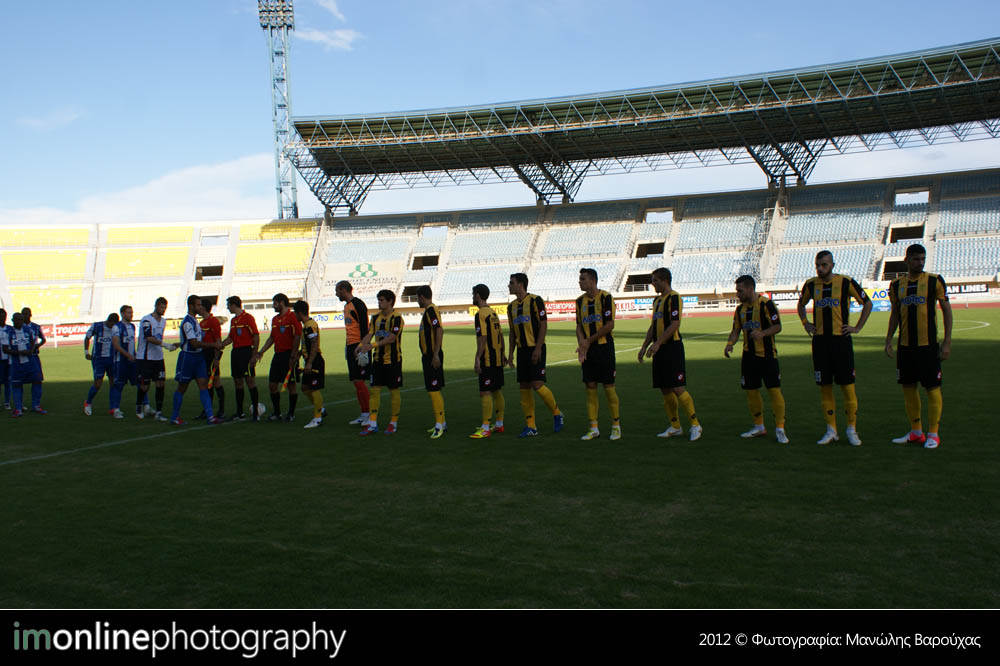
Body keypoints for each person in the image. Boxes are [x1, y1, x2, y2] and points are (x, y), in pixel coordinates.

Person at [797, 250, 873, 446]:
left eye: (824, 264)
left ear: (832, 265)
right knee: (825, 387)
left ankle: (851, 429)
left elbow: (867, 303)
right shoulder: (811, 284)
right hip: (820, 343)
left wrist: (857, 327)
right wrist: (805, 323)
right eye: (818, 265)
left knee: (847, 387)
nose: (820, 268)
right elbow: (801, 304)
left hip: (841, 342)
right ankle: (831, 430)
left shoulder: (846, 282)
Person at [884, 243, 952, 449]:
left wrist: (947, 342)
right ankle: (916, 432)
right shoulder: (896, 285)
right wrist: (889, 339)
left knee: (932, 388)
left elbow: (946, 310)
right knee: (908, 388)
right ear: (907, 260)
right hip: (906, 347)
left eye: (923, 259)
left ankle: (933, 434)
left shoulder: (934, 281)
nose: (920, 263)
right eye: (916, 259)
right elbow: (895, 313)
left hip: (928, 346)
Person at [638, 268, 702, 441]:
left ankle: (695, 424)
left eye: (655, 280)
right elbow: (653, 325)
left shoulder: (674, 298)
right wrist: (644, 346)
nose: (652, 283)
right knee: (665, 388)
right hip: (659, 349)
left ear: (664, 280)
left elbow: (675, 324)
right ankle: (675, 426)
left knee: (677, 387)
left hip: (672, 347)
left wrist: (658, 343)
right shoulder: (657, 300)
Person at [725, 275, 788, 443]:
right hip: (748, 357)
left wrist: (763, 333)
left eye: (740, 290)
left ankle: (780, 428)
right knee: (751, 391)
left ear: (750, 289)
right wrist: (730, 344)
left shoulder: (766, 304)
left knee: (774, 390)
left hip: (767, 355)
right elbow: (736, 330)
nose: (737, 294)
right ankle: (759, 426)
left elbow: (778, 326)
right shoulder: (740, 309)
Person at [506, 273, 563, 438]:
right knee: (524, 386)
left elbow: (543, 324)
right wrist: (510, 354)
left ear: (520, 284)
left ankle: (557, 413)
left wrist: (538, 348)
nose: (509, 285)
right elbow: (512, 332)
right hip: (521, 350)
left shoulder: (535, 301)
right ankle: (531, 426)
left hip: (535, 348)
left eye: (512, 283)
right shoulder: (511, 307)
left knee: (537, 384)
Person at [575, 268, 620, 441]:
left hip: (604, 348)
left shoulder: (606, 297)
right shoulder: (580, 301)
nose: (580, 282)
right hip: (589, 350)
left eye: (583, 279)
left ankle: (616, 426)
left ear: (592, 280)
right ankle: (593, 428)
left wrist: (588, 341)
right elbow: (579, 326)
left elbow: (609, 325)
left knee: (609, 387)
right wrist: (582, 345)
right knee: (590, 387)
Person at [170, 295, 224, 426]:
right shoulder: (187, 322)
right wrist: (213, 345)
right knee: (182, 387)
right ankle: (175, 417)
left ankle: (210, 416)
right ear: (191, 306)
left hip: (198, 357)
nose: (200, 307)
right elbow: (194, 343)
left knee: (203, 385)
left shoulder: (195, 321)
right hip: (188, 358)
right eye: (198, 305)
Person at [357, 289, 403, 436]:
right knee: (374, 391)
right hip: (377, 360)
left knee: (393, 391)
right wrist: (360, 346)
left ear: (390, 301)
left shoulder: (397, 318)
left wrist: (372, 345)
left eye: (382, 300)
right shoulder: (375, 317)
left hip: (393, 360)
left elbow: (392, 338)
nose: (379, 302)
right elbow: (369, 334)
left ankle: (393, 423)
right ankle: (372, 424)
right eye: (378, 300)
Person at [254, 293, 302, 423]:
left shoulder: (293, 317)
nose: (273, 306)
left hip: (289, 355)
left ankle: (291, 414)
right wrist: (261, 351)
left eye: (274, 303)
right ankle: (277, 412)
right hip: (278, 355)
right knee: (272, 385)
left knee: (291, 385)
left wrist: (293, 355)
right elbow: (272, 338)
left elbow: (297, 336)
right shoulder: (275, 319)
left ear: (282, 303)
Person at [470, 283, 506, 439]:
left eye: (473, 294)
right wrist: (503, 353)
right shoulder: (493, 313)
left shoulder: (481, 314)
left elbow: (483, 337)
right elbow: (500, 335)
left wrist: (478, 357)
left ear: (478, 295)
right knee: (496, 390)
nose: (472, 297)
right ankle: (499, 424)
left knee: (485, 391)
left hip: (488, 358)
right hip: (497, 357)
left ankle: (485, 427)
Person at [219, 295, 262, 421]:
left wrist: (254, 355)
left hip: (246, 352)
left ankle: (255, 413)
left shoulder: (248, 318)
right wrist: (221, 344)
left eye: (228, 305)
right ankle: (239, 413)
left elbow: (256, 336)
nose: (228, 308)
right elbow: (231, 338)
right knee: (237, 382)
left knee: (250, 381)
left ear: (233, 305)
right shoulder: (233, 321)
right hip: (236, 353)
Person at [335, 280, 371, 426]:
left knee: (360, 381)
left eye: (337, 291)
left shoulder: (358, 304)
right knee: (356, 381)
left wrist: (362, 348)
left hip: (358, 346)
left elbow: (365, 328)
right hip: (351, 346)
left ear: (344, 290)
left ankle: (369, 415)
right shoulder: (347, 306)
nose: (336, 294)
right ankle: (364, 414)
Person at [137, 297, 175, 421]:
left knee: (161, 383)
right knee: (145, 386)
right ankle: (139, 406)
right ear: (156, 306)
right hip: (146, 357)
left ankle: (159, 412)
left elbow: (158, 338)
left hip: (158, 357)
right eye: (161, 307)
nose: (163, 310)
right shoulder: (146, 320)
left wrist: (171, 345)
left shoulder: (163, 321)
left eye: (165, 308)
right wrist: (166, 345)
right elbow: (148, 338)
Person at [416, 285, 447, 439]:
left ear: (422, 297)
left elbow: (439, 330)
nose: (417, 301)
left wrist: (435, 354)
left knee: (434, 390)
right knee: (433, 389)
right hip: (429, 356)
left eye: (417, 298)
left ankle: (439, 425)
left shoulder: (431, 310)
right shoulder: (428, 311)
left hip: (432, 356)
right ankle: (442, 422)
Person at [293, 300, 326, 429]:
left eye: (295, 313)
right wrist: (301, 352)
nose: (294, 315)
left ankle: (317, 418)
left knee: (314, 388)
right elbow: (309, 344)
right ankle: (321, 409)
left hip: (315, 360)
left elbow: (314, 344)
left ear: (299, 313)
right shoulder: (306, 325)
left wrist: (310, 363)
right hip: (310, 359)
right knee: (305, 388)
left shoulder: (309, 326)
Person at [83, 312, 120, 415]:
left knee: (113, 383)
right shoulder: (97, 326)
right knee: (98, 384)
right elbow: (87, 337)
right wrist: (86, 352)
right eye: (112, 324)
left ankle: (112, 407)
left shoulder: (116, 328)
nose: (113, 327)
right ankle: (88, 402)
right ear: (109, 321)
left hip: (111, 359)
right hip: (98, 360)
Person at [2, 312, 37, 417]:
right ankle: (18, 408)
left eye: (21, 320)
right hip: (15, 363)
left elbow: (33, 343)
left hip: (28, 362)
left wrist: (30, 351)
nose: (19, 322)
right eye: (17, 320)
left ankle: (33, 405)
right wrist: (19, 353)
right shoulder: (8, 333)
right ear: (13, 320)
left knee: (36, 381)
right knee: (16, 384)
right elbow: (5, 349)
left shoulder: (28, 330)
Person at [197, 298, 226, 420]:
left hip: (211, 354)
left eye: (199, 306)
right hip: (203, 355)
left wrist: (216, 358)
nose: (198, 308)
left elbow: (218, 341)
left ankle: (221, 410)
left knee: (216, 381)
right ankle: (207, 410)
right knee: (205, 383)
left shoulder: (213, 321)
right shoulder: (202, 323)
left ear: (203, 307)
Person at [110, 305, 140, 420]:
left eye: (131, 312)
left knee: (141, 383)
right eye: (128, 312)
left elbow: (132, 344)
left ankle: (145, 406)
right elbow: (116, 345)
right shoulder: (116, 327)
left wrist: (135, 356)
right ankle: (116, 409)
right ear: (122, 313)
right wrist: (128, 356)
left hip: (132, 361)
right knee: (119, 385)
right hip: (120, 362)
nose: (131, 315)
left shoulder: (132, 326)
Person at [19, 307, 46, 414]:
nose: (25, 316)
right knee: (19, 382)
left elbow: (43, 339)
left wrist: (37, 346)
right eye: (23, 314)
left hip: (34, 357)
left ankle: (36, 404)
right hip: (21, 358)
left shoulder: (36, 327)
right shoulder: (17, 328)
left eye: (27, 314)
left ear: (30, 315)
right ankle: (19, 405)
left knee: (37, 380)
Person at [0, 308, 12, 409]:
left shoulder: (10, 329)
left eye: (3, 317)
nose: (2, 319)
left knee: (8, 382)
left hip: (9, 360)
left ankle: (7, 402)